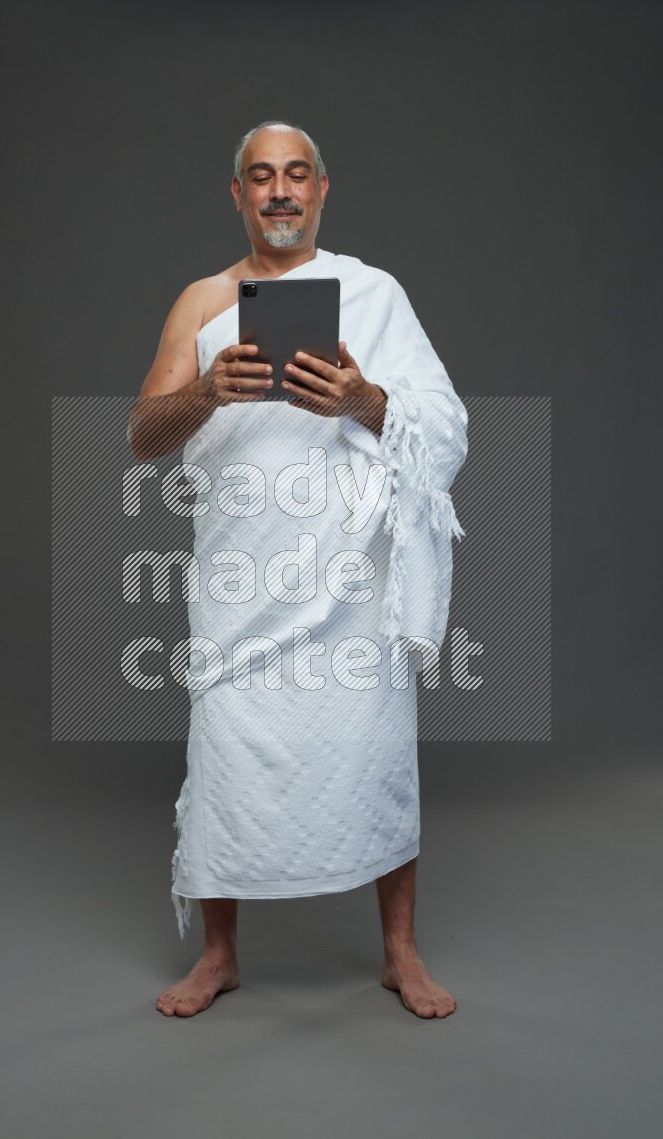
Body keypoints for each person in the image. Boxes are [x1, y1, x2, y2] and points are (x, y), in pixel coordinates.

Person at [128, 120, 468, 1019]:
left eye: (297, 175)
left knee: (377, 746)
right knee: (227, 751)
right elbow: (142, 438)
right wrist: (209, 391)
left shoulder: (374, 294)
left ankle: (401, 951)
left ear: (322, 189)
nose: (280, 191)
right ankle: (220, 955)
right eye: (260, 177)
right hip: (241, 574)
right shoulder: (203, 302)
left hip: (352, 577)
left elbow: (446, 421)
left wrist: (362, 400)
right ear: (236, 195)